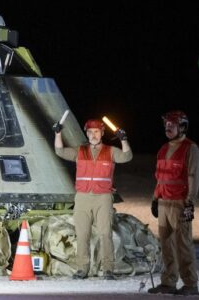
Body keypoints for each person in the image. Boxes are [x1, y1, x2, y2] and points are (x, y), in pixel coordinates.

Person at [54, 117, 132, 279]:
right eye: (90, 132)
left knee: (105, 234)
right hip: (82, 198)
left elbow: (126, 157)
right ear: (87, 134)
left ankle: (108, 269)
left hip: (103, 197)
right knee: (82, 234)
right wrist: (58, 133)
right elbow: (60, 151)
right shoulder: (79, 151)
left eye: (96, 132)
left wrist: (123, 140)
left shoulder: (110, 151)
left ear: (102, 133)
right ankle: (82, 269)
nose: (93, 135)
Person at [148, 110, 199, 296]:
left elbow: (193, 176)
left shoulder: (190, 148)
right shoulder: (163, 149)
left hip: (180, 203)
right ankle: (168, 282)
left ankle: (190, 284)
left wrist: (190, 202)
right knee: (166, 244)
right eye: (166, 125)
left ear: (183, 126)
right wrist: (155, 199)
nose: (167, 128)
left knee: (183, 245)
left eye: (172, 125)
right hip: (163, 202)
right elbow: (160, 178)